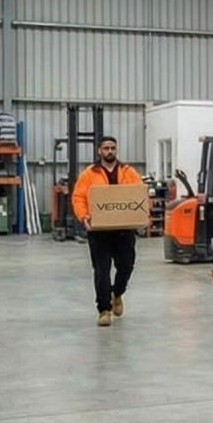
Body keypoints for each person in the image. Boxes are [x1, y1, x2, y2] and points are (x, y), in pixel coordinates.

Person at [71, 136, 145, 328]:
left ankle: (117, 293)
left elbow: (140, 195)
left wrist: (142, 215)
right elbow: (78, 197)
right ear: (99, 151)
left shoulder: (128, 172)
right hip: (99, 231)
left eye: (112, 148)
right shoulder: (89, 174)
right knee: (102, 270)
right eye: (106, 148)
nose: (109, 151)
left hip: (124, 230)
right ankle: (104, 310)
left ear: (116, 150)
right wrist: (84, 216)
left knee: (126, 265)